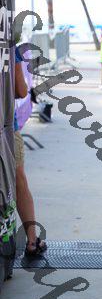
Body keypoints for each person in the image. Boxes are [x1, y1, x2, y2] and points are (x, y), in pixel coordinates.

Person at [14, 47, 47, 258]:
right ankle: (32, 241)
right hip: (5, 128)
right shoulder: (8, 48)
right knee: (19, 182)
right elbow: (20, 90)